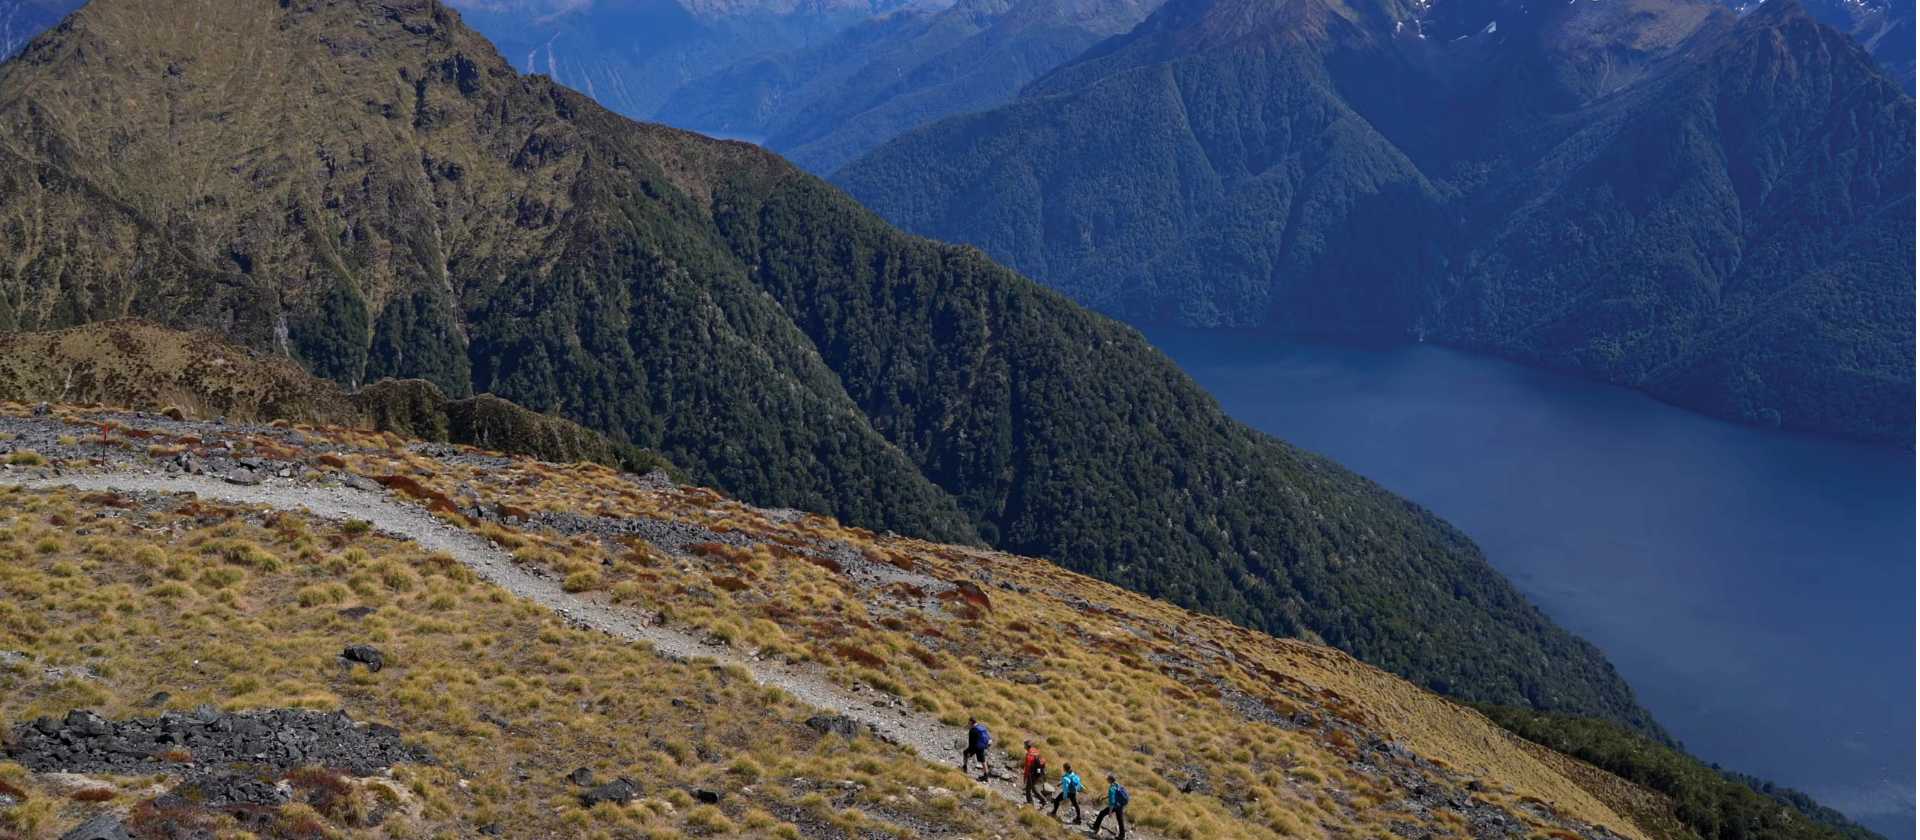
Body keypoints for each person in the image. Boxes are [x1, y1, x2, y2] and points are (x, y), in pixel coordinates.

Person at [1091, 773, 1128, 838]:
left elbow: (1112, 802)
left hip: (1115, 805)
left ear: (1110, 780)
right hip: (1120, 805)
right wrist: (1105, 797)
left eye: (1107, 779)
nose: (1106, 779)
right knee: (1120, 819)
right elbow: (1115, 794)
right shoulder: (1117, 785)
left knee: (1102, 813)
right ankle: (1122, 835)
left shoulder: (1111, 788)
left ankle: (1095, 827)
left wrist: (1110, 812)